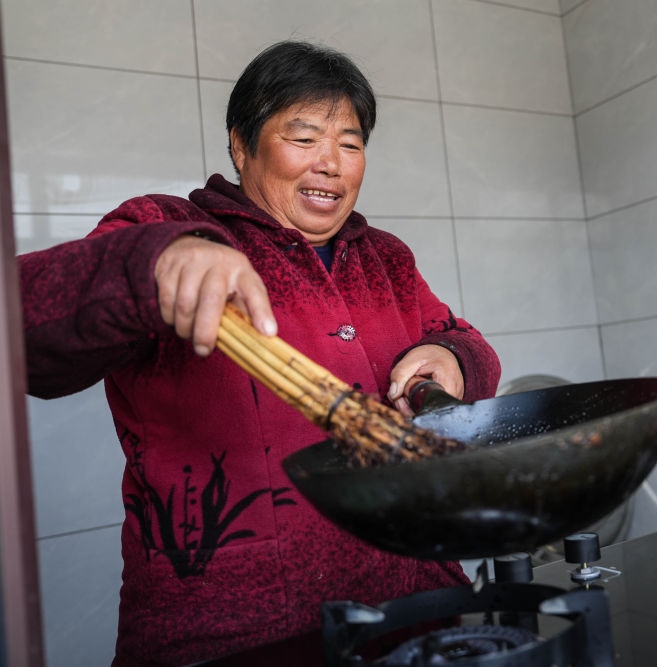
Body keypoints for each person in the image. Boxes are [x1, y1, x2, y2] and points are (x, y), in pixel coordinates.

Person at [18, 41, 502, 666]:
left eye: (351, 144)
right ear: (241, 145)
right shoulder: (166, 227)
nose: (331, 164)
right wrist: (155, 262)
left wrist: (452, 359)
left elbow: (466, 342)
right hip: (232, 633)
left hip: (414, 608)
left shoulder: (385, 257)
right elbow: (26, 331)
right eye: (303, 138)